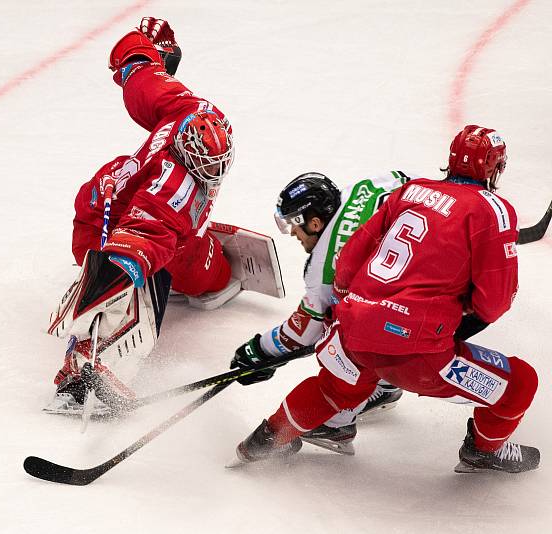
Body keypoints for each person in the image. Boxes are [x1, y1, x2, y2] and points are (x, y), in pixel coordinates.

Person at [231, 125, 540, 473]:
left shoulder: (411, 190)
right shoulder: (492, 210)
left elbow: (347, 263)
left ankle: (262, 443)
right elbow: (494, 302)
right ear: (494, 169)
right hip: (419, 352)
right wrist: (458, 308)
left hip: (354, 333)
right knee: (521, 382)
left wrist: (361, 313)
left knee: (334, 389)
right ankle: (484, 451)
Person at [46, 17, 236, 414]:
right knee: (138, 285)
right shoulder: (173, 190)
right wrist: (121, 273)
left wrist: (146, 47)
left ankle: (209, 276)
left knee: (179, 256)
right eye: (205, 164)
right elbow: (145, 239)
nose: (213, 172)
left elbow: (141, 76)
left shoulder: (189, 110)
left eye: (219, 162)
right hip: (105, 221)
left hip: (114, 192)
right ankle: (89, 371)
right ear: (185, 156)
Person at [230, 171, 410, 454]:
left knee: (343, 338)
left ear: (315, 223)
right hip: (443, 260)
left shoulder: (324, 267)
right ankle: (385, 387)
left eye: (295, 225)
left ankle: (337, 422)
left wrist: (260, 351)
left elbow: (304, 332)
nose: (292, 233)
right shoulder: (364, 187)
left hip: (423, 307)